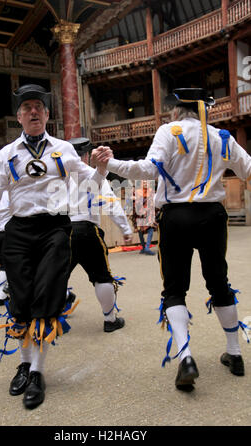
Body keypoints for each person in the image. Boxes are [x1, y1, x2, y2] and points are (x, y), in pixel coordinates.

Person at [93, 87, 251, 392]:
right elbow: (246, 170)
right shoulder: (223, 137)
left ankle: (186, 357)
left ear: (177, 111)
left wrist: (110, 163)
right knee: (219, 282)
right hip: (213, 216)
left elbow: (148, 169)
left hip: (176, 217)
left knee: (175, 288)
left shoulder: (169, 130)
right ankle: (234, 353)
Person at [0, 84, 108, 409]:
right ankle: (24, 362)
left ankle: (37, 372)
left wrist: (101, 167)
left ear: (47, 115)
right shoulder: (6, 155)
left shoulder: (64, 150)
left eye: (39, 108)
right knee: (19, 300)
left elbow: (91, 184)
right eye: (27, 107)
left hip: (55, 228)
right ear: (19, 116)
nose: (34, 112)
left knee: (46, 298)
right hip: (18, 231)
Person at [68, 137, 132, 332]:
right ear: (87, 155)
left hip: (61, 231)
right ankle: (110, 319)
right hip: (87, 229)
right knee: (101, 277)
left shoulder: (59, 176)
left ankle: (58, 308)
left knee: (56, 274)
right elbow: (110, 203)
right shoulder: (92, 174)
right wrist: (126, 229)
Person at [131, 180, 156, 255]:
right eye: (143, 182)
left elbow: (153, 201)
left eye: (146, 182)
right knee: (140, 231)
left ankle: (147, 248)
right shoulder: (137, 191)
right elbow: (133, 201)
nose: (145, 183)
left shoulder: (151, 191)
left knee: (150, 229)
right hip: (140, 213)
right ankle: (143, 247)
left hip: (149, 213)